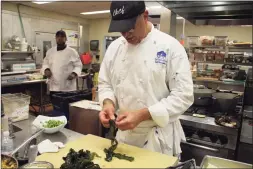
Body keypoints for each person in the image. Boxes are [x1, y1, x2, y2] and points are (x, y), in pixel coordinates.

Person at [98, 1, 194, 157]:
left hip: (157, 138)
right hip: (124, 137)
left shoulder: (170, 46)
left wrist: (143, 114)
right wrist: (108, 103)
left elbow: (184, 96)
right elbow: (105, 83)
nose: (125, 34)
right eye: (121, 30)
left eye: (130, 27)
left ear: (145, 16)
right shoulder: (114, 48)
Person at [41, 30, 82, 98]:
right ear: (55, 38)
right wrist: (46, 70)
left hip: (68, 86)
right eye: (57, 37)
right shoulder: (50, 51)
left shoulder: (72, 52)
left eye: (62, 36)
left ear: (65, 39)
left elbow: (78, 65)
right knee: (55, 105)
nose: (59, 38)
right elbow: (45, 63)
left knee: (68, 106)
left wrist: (74, 74)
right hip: (54, 86)